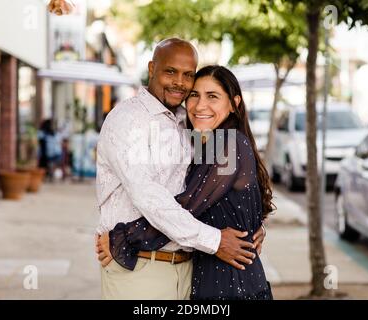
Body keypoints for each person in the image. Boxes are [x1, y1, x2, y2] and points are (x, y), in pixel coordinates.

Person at [95, 38, 267, 300]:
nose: (180, 83)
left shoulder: (219, 140)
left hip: (198, 270)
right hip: (143, 270)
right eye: (170, 71)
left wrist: (252, 226)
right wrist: (222, 236)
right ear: (152, 68)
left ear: (234, 104)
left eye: (188, 75)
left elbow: (197, 201)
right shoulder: (129, 120)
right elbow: (150, 198)